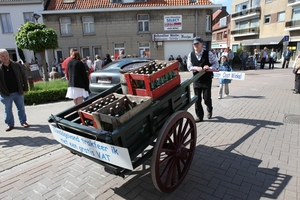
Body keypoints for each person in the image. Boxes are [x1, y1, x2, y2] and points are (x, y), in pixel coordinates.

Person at [187, 37, 219, 122]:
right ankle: (199, 116)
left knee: (206, 98)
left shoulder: (208, 54)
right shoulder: (191, 55)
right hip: (196, 80)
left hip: (206, 79)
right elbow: (189, 67)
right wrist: (196, 68)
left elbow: (216, 64)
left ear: (202, 44)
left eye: (197, 43)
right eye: (194, 44)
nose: (196, 45)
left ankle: (209, 108)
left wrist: (209, 67)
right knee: (197, 100)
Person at [0, 49, 29, 131]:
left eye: (7, 56)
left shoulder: (17, 65)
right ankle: (10, 124)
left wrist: (25, 88)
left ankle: (23, 121)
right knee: (7, 110)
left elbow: (23, 76)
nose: (6, 58)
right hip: (5, 93)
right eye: (3, 56)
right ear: (0, 58)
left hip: (18, 91)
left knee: (21, 108)